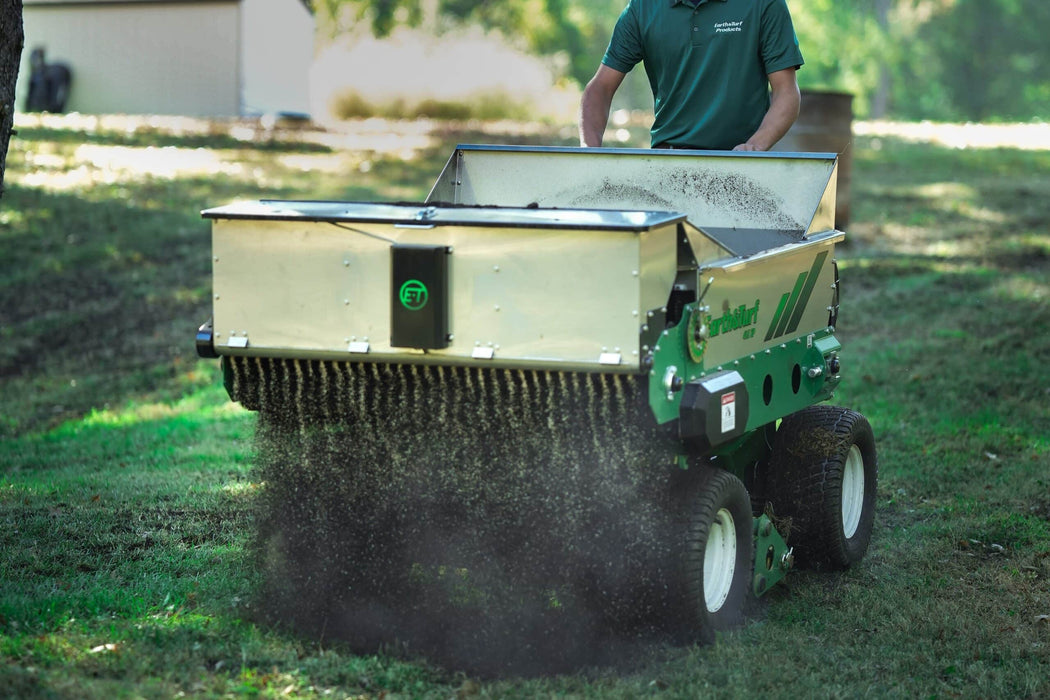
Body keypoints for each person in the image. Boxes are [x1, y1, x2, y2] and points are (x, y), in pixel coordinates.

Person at [579, 0, 804, 152]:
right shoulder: (643, 8)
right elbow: (600, 89)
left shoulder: (764, 4)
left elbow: (786, 91)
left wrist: (755, 145)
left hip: (742, 163)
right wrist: (589, 155)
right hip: (669, 162)